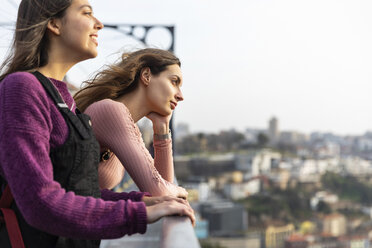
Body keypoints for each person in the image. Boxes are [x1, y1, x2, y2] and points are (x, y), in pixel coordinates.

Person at [0, 0, 195, 247]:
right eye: (87, 12)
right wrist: (139, 213)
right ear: (54, 24)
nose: (99, 24)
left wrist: (140, 201)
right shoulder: (22, 88)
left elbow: (78, 194)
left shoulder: (65, 100)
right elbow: (39, 201)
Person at [74, 48, 188, 198]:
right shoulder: (110, 110)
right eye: (174, 82)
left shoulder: (130, 127)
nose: (181, 96)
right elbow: (160, 191)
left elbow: (162, 188)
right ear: (146, 76)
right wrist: (181, 191)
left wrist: (162, 127)